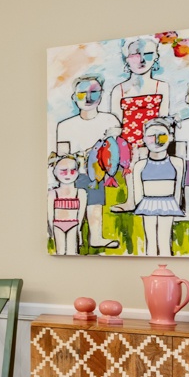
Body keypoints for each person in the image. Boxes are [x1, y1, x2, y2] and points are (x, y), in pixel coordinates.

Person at [54, 75, 122, 250]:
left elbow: (116, 151)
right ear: (74, 97)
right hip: (74, 173)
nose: (88, 97)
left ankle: (96, 237)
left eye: (94, 92)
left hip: (99, 172)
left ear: (101, 94)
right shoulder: (65, 126)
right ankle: (73, 235)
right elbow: (62, 155)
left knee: (95, 193)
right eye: (82, 93)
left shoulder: (110, 120)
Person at [118, 117, 187, 257]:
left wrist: (176, 206)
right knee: (150, 240)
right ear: (144, 139)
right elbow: (138, 191)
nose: (156, 141)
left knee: (165, 239)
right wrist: (140, 206)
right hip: (147, 204)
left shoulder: (177, 162)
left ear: (171, 137)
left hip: (168, 204)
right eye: (151, 136)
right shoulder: (140, 165)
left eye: (162, 136)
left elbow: (179, 188)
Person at [106, 36, 171, 151]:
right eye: (136, 55)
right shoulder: (118, 90)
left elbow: (163, 123)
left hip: (154, 146)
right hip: (126, 148)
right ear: (127, 59)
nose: (142, 60)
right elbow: (116, 127)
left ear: (156, 57)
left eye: (148, 54)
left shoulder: (161, 87)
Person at [47, 155, 87, 255]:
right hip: (57, 225)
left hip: (74, 225)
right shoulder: (52, 194)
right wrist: (51, 232)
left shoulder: (81, 193)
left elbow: (81, 215)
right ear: (55, 172)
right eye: (63, 171)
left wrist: (79, 231)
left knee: (72, 252)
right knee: (60, 252)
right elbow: (50, 215)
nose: (68, 174)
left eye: (73, 171)